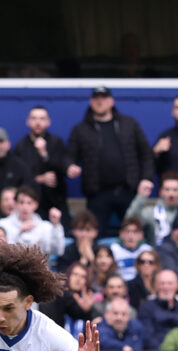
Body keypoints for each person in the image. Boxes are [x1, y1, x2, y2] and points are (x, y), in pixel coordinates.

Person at [66, 87, 154, 238]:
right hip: (97, 194)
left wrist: (146, 178)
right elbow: (69, 156)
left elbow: (146, 154)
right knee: (94, 236)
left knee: (135, 235)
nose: (100, 102)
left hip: (127, 191)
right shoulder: (81, 129)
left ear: (111, 101)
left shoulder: (129, 124)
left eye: (104, 98)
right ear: (91, 102)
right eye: (96, 98)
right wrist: (69, 166)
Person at [11, 105, 71, 220]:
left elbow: (62, 168)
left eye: (42, 119)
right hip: (30, 204)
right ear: (28, 122)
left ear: (48, 122)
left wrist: (44, 155)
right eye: (34, 118)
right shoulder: (20, 147)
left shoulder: (56, 142)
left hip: (56, 200)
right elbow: (17, 176)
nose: (38, 123)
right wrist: (39, 179)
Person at [125, 172, 178, 246]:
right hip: (157, 256)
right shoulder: (151, 211)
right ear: (160, 192)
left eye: (175, 190)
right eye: (167, 189)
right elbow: (130, 221)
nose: (171, 194)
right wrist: (141, 197)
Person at [0, 185, 65, 257]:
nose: (25, 207)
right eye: (21, 202)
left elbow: (59, 251)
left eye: (29, 203)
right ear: (15, 204)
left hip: (40, 263)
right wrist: (19, 232)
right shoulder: (3, 224)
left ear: (36, 205)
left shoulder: (46, 226)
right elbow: (1, 252)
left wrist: (56, 225)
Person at [139, 268, 178, 349]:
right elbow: (147, 337)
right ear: (156, 285)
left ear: (177, 286)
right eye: (162, 283)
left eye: (170, 283)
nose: (166, 287)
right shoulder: (146, 308)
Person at [108, 217, 153, 281]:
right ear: (121, 234)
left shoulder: (147, 250)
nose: (130, 236)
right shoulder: (113, 250)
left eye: (135, 232)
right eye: (127, 231)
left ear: (141, 235)